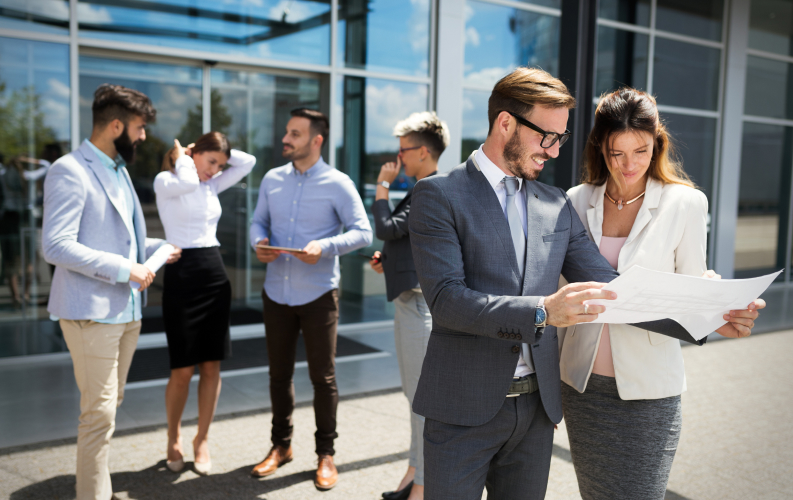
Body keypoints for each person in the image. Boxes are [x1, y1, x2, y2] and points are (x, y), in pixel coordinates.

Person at [407, 67, 762, 500]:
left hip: (537, 410)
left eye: (560, 138)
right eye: (547, 137)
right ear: (505, 123)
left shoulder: (554, 203)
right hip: (462, 407)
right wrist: (542, 312)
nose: (554, 152)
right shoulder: (439, 195)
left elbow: (614, 290)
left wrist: (707, 317)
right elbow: (446, 300)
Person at [558, 87, 763, 500]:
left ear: (657, 144)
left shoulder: (685, 203)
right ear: (601, 147)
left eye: (642, 150)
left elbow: (691, 287)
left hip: (649, 391)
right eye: (617, 153)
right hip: (582, 387)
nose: (629, 164)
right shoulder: (576, 201)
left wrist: (722, 314)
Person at [42, 83, 181, 500]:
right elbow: (56, 245)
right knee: (98, 416)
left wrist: (156, 249)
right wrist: (126, 269)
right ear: (116, 125)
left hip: (127, 312)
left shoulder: (119, 169)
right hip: (91, 313)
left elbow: (119, 240)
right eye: (139, 128)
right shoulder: (69, 169)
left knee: (109, 406)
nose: (143, 136)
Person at [249, 108, 372, 490]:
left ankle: (325, 454)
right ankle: (280, 447)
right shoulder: (272, 179)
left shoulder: (338, 183)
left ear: (316, 140)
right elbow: (258, 223)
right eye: (287, 132)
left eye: (295, 134)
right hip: (276, 292)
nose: (286, 139)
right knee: (278, 374)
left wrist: (325, 246)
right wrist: (259, 243)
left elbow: (363, 232)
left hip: (319, 294)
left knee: (324, 377)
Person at [153, 132, 256, 475]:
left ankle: (202, 439)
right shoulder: (167, 180)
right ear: (192, 155)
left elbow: (248, 162)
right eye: (211, 162)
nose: (215, 170)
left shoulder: (210, 184)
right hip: (181, 273)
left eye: (220, 165)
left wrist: (209, 153)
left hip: (213, 273)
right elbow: (185, 182)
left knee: (212, 366)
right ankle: (173, 438)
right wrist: (186, 156)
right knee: (182, 369)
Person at [369, 112, 449, 500]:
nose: (397, 159)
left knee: (420, 398)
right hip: (410, 303)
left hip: (419, 307)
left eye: (402, 151)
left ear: (422, 151)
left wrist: (381, 187)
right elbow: (407, 237)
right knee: (411, 394)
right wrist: (390, 258)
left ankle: (420, 486)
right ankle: (414, 472)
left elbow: (387, 227)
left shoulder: (430, 187)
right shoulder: (423, 187)